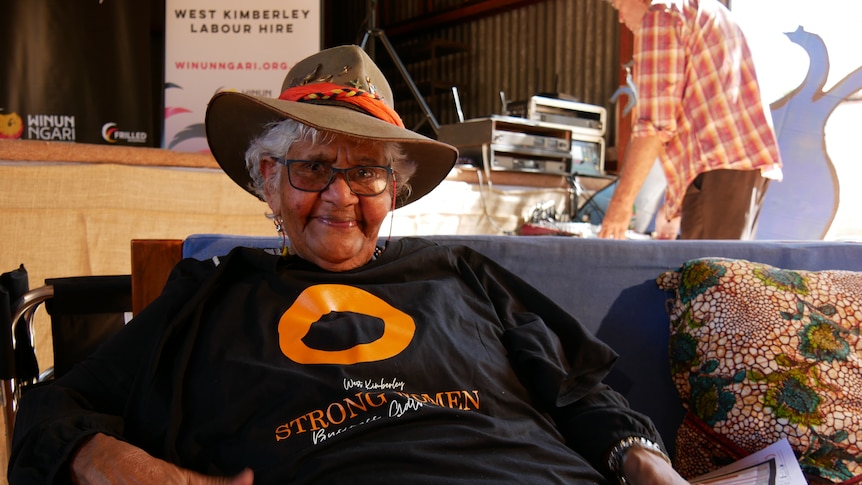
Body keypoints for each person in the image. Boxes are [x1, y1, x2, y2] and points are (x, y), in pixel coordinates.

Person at [8, 45, 688, 484]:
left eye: (365, 172)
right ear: (267, 179)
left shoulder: (461, 272)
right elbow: (51, 411)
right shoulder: (209, 296)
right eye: (312, 167)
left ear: (393, 190)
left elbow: (582, 394)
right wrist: (150, 474)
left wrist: (651, 466)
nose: (339, 195)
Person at [598, 0, 783, 240]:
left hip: (718, 172)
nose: (621, 17)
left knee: (711, 275)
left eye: (617, 5)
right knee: (730, 271)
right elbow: (697, 109)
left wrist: (619, 207)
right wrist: (675, 204)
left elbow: (655, 125)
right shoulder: (701, 10)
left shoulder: (660, 16)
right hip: (742, 167)